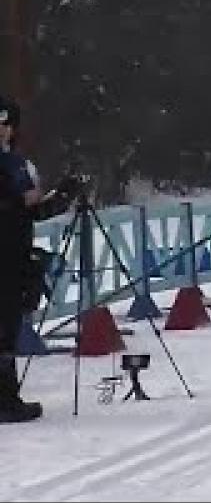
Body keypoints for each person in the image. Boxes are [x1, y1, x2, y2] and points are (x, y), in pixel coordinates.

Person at [0, 97, 81, 423]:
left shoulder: (19, 164)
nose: (1, 131)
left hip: (14, 254)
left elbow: (34, 211)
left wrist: (63, 196)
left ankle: (7, 396)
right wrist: (16, 200)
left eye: (5, 124)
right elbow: (18, 205)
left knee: (8, 326)